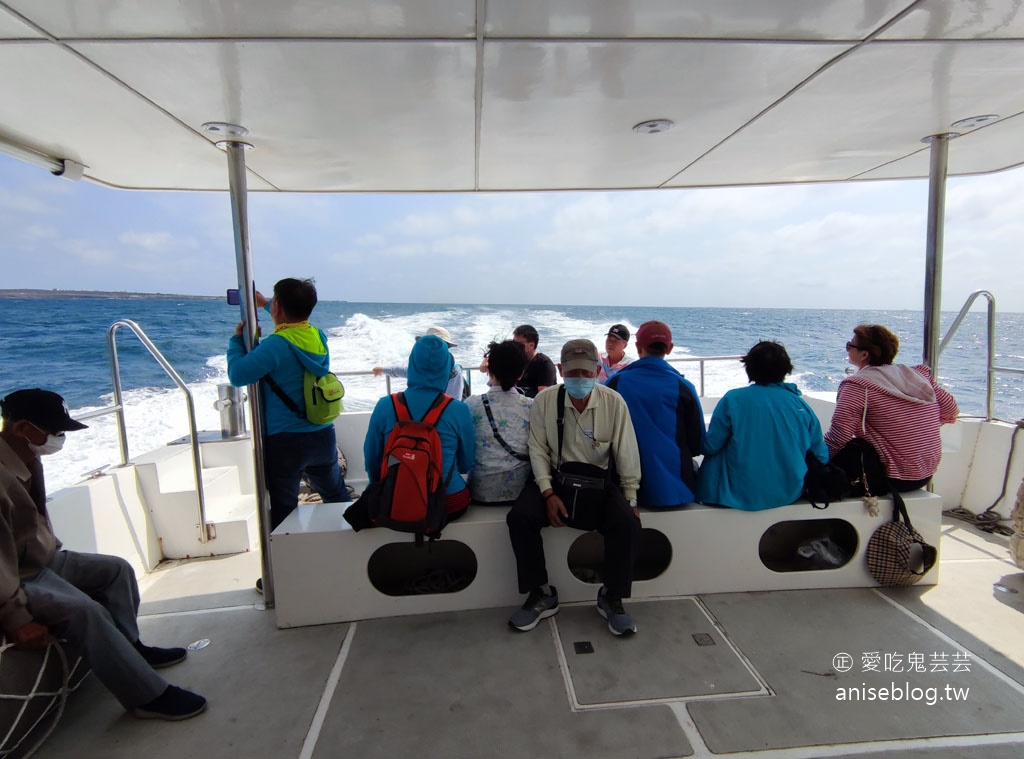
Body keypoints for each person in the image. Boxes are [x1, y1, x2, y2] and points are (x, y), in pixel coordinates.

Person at [0, 389, 207, 721]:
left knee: (116, 571)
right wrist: (17, 619)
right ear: (24, 428)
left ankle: (130, 649)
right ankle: (146, 696)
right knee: (86, 611)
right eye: (56, 431)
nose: (60, 438)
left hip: (42, 559)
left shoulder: (26, 457)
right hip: (17, 576)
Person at [506, 339, 642, 636]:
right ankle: (541, 593)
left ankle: (612, 596)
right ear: (560, 370)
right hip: (555, 480)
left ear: (597, 370)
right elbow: (538, 449)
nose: (579, 379)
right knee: (520, 518)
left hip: (598, 483)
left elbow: (626, 453)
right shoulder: (545, 401)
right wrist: (547, 492)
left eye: (586, 373)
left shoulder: (613, 403)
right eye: (572, 373)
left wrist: (630, 498)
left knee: (627, 524)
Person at [227, 278, 349, 535]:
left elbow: (238, 375)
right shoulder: (317, 335)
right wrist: (265, 303)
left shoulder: (276, 345)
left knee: (284, 508)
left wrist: (237, 342)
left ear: (278, 307)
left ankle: (285, 567)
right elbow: (295, 314)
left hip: (285, 440)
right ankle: (347, 541)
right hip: (322, 433)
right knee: (335, 494)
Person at [825, 324, 958, 491]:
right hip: (925, 474)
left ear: (864, 354)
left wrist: (812, 463)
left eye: (849, 346)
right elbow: (951, 410)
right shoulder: (919, 376)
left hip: (890, 476)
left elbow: (839, 437)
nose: (847, 350)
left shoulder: (858, 386)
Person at [697, 341, 827, 511]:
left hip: (735, 494)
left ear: (749, 369)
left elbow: (710, 446)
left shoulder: (733, 399)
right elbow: (820, 456)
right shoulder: (800, 405)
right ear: (786, 370)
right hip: (788, 493)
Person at [364, 335, 476, 520]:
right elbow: (466, 463)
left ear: (412, 365)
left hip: (395, 500)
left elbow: (372, 460)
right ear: (447, 367)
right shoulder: (458, 409)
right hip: (449, 501)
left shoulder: (385, 405)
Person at [607, 321, 705, 508]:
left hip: (624, 491)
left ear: (637, 347)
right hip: (675, 491)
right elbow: (697, 443)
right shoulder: (684, 387)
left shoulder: (616, 382)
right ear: (669, 348)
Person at [465, 340, 533, 504]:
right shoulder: (532, 406)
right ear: (520, 374)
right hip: (519, 492)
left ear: (489, 370)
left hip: (480, 492)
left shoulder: (471, 404)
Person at [373, 325, 468, 399]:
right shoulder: (422, 366)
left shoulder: (454, 371)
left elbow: (454, 400)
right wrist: (384, 369)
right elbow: (405, 370)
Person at [481, 325, 556, 399]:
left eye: (519, 344)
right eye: (513, 342)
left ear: (531, 345)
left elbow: (544, 397)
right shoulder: (513, 358)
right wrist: (487, 361)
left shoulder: (544, 364)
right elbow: (484, 368)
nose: (515, 346)